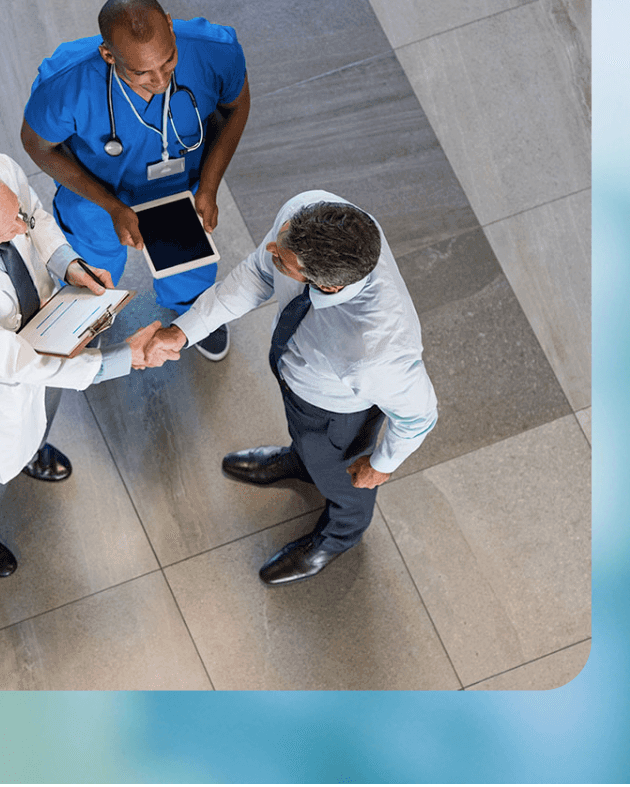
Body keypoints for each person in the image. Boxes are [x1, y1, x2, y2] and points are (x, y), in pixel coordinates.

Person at [141, 192, 438, 585]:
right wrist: (184, 332)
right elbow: (258, 273)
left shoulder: (378, 351)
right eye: (281, 242)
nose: (270, 251)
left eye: (284, 260)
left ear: (327, 286)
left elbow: (419, 415)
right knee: (307, 441)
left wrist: (381, 465)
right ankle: (302, 461)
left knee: (344, 480)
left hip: (336, 411)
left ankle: (340, 535)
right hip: (297, 374)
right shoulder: (309, 211)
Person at [0, 149, 166, 578]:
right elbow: (18, 363)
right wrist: (120, 359)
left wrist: (69, 264)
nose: (19, 227)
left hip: (45, 328)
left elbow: (37, 216)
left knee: (42, 406)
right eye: (7, 230)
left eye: (15, 215)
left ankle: (29, 450)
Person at [20, 0, 250, 361]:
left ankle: (192, 313)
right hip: (97, 195)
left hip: (178, 186)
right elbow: (36, 145)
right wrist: (111, 206)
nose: (159, 80)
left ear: (172, 28)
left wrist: (209, 185)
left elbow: (237, 106)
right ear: (108, 55)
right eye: (141, 73)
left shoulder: (215, 50)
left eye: (169, 61)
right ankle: (88, 317)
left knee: (188, 262)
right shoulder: (64, 85)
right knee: (92, 267)